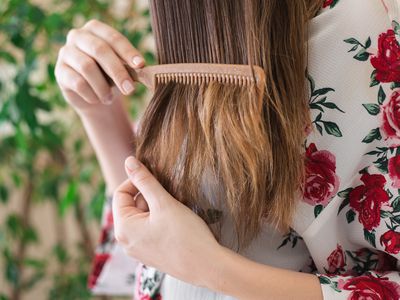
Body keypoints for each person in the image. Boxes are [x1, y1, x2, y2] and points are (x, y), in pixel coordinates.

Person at [54, 0, 400, 299]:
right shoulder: (197, 28)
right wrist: (98, 108)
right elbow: (152, 235)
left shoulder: (364, 41)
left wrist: (212, 269)